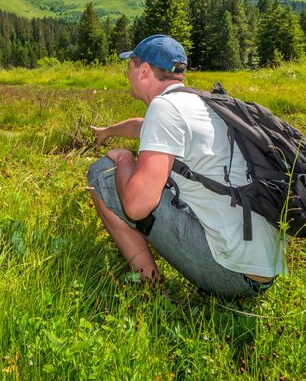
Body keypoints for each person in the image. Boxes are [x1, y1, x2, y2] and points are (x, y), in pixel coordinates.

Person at [87, 35, 285, 298]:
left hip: (230, 273)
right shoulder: (199, 102)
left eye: (130, 65)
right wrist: (108, 131)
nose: (126, 73)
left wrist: (125, 159)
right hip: (262, 267)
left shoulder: (164, 108)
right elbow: (141, 126)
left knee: (102, 174)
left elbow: (136, 206)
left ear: (144, 70)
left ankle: (152, 289)